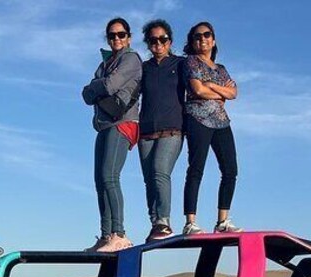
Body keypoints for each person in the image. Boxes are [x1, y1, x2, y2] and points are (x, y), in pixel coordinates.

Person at [82, 17, 143, 252]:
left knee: (110, 176)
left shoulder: (131, 59)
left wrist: (97, 88)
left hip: (123, 122)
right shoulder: (106, 64)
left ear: (128, 37)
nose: (116, 39)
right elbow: (86, 94)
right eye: (112, 35)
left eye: (121, 34)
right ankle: (106, 235)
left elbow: (107, 87)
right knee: (100, 181)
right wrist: (97, 89)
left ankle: (119, 234)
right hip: (105, 125)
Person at [181, 21, 241, 234]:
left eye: (207, 35)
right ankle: (190, 221)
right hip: (198, 119)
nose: (202, 39)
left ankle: (222, 220)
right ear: (192, 42)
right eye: (197, 36)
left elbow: (233, 93)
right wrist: (220, 92)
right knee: (196, 168)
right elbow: (198, 90)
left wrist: (212, 86)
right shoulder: (191, 62)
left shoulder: (221, 68)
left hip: (221, 121)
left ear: (213, 40)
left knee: (230, 169)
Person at [138, 19, 185, 241]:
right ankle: (155, 222)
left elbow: (198, 82)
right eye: (153, 40)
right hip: (145, 132)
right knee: (149, 179)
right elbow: (128, 90)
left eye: (162, 39)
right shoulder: (143, 68)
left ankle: (163, 222)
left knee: (159, 172)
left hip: (172, 130)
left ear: (170, 41)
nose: (158, 43)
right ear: (148, 43)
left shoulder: (181, 64)